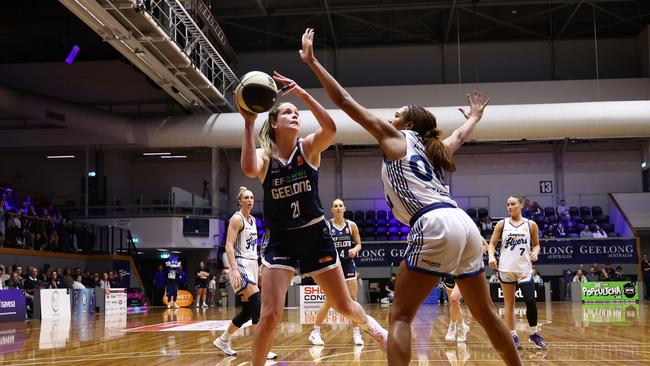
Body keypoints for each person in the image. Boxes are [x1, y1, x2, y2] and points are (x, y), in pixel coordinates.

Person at [300, 28, 521, 365]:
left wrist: (314, 63)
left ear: (408, 123)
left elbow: (345, 102)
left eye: (398, 113)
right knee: (487, 315)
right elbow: (459, 136)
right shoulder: (433, 150)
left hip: (433, 221)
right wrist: (475, 117)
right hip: (464, 222)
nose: (392, 116)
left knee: (400, 317)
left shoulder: (396, 137)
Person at [238, 68, 387, 366]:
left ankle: (375, 329)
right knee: (269, 316)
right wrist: (248, 120)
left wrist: (302, 94)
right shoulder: (266, 157)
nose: (295, 115)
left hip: (315, 236)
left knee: (344, 305)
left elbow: (330, 129)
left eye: (297, 112)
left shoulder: (307, 148)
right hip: (281, 241)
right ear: (273, 122)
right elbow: (248, 169)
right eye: (288, 112)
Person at [213, 187, 277, 360]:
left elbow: (253, 247)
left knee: (248, 311)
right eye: (246, 198)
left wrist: (259, 268)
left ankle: (223, 339)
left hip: (252, 264)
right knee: (257, 303)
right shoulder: (236, 218)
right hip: (239, 263)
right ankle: (260, 348)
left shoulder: (254, 220)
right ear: (239, 201)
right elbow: (228, 246)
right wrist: (233, 269)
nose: (250, 200)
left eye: (252, 197)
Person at [488, 195, 546, 350]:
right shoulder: (502, 224)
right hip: (506, 269)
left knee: (530, 301)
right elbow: (492, 244)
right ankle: (512, 336)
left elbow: (537, 245)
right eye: (507, 204)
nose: (509, 207)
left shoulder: (531, 224)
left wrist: (536, 252)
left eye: (513, 204)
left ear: (521, 206)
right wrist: (491, 257)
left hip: (524, 270)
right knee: (509, 305)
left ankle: (533, 333)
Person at [309, 199, 364, 346]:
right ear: (332, 209)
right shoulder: (326, 225)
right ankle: (315, 332)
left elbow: (359, 244)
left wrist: (355, 249)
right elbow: (318, 245)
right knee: (330, 301)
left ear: (344, 208)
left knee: (353, 299)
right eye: (335, 206)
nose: (338, 208)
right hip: (333, 267)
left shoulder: (351, 225)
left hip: (348, 265)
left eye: (340, 206)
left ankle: (357, 334)